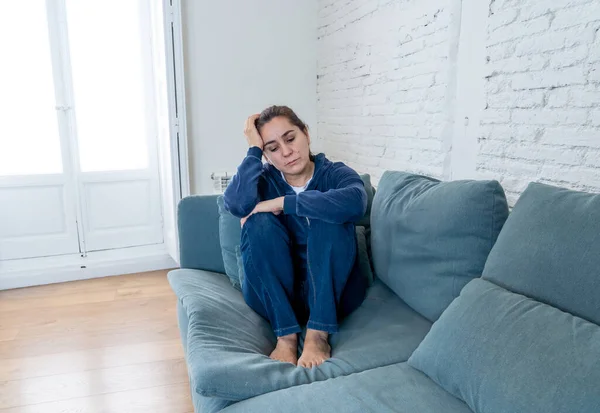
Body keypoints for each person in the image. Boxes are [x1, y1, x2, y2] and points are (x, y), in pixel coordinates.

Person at [223, 105, 368, 368]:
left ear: (306, 134)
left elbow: (356, 202)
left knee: (330, 217)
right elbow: (235, 204)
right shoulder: (264, 180)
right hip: (275, 295)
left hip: (333, 293)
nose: (287, 152)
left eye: (290, 139)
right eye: (273, 148)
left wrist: (283, 203)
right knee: (259, 224)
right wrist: (254, 150)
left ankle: (318, 334)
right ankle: (286, 336)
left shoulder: (333, 173)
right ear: (266, 155)